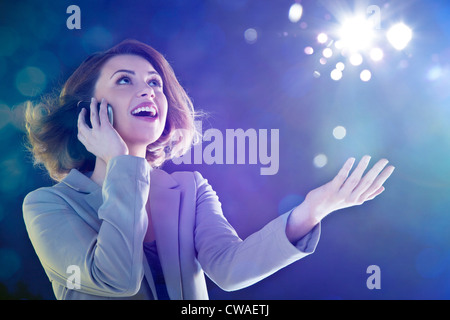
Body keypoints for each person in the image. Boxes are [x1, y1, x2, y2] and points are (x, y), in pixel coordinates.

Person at [22, 39, 395, 300]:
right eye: (125, 80)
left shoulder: (190, 189)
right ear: (88, 110)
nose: (149, 91)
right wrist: (124, 164)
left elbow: (231, 269)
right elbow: (114, 278)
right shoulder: (47, 205)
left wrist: (311, 210)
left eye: (155, 83)